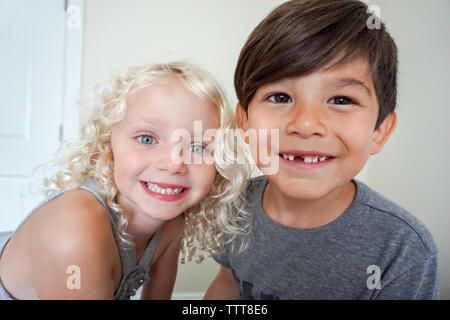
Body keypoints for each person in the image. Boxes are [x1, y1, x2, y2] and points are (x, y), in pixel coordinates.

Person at [205, 0, 439, 299]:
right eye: (279, 96)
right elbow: (228, 283)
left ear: (379, 131)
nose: (305, 124)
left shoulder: (403, 248)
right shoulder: (233, 204)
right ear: (245, 123)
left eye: (341, 100)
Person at [0, 61, 249, 299]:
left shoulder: (171, 224)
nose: (173, 164)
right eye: (146, 139)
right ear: (108, 146)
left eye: (197, 147)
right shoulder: (74, 231)